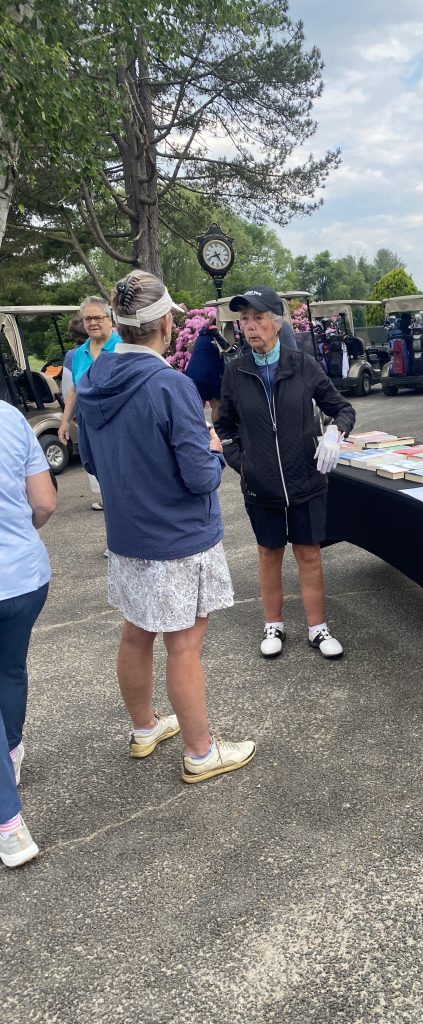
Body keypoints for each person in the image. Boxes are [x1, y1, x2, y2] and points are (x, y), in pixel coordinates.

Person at [76, 271, 255, 784]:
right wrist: (214, 451)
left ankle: (145, 727)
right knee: (184, 644)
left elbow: (89, 460)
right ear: (164, 323)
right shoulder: (169, 384)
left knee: (136, 633)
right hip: (177, 537)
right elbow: (199, 476)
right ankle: (201, 753)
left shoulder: (92, 380)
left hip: (128, 535)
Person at [215, 286, 356, 660]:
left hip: (305, 481)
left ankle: (317, 628)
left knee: (309, 553)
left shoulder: (302, 363)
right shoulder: (236, 371)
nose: (250, 326)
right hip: (261, 486)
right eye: (244, 319)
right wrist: (242, 463)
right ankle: (273, 624)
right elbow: (224, 426)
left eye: (258, 318)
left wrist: (333, 433)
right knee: (268, 553)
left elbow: (342, 409)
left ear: (276, 322)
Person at [0, 403, 57, 868]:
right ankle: (12, 751)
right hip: (24, 577)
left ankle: (9, 827)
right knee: (10, 667)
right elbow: (45, 502)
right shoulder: (10, 416)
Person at [58, 297, 121, 512]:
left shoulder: (123, 346)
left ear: (109, 319)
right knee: (99, 469)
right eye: (87, 319)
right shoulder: (78, 354)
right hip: (90, 421)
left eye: (97, 317)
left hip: (120, 419)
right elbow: (74, 389)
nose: (92, 323)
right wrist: (65, 421)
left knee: (124, 472)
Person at [184, 320, 232, 423]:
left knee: (197, 407)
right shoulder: (215, 333)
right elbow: (229, 350)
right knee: (216, 405)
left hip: (193, 373)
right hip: (207, 375)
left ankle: (196, 433)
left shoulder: (204, 333)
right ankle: (219, 433)